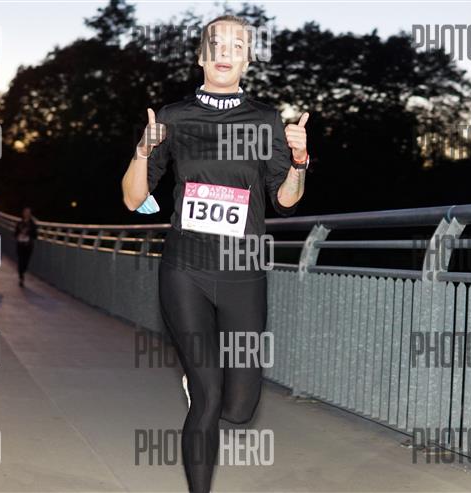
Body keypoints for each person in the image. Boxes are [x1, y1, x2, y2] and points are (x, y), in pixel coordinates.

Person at [121, 15, 309, 493]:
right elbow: (133, 199)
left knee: (239, 408)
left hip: (243, 272)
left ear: (248, 59)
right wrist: (142, 151)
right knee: (207, 396)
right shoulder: (174, 117)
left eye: (238, 45)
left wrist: (300, 162)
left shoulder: (265, 120)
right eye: (216, 44)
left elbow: (286, 201)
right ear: (201, 56)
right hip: (185, 268)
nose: (226, 52)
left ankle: (206, 387)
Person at [14, 207, 37, 287]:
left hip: (28, 245)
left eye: (28, 212)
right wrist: (18, 235)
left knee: (26, 261)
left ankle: (22, 272)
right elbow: (15, 233)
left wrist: (27, 233)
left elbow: (35, 235)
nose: (26, 214)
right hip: (20, 244)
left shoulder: (32, 224)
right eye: (25, 212)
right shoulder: (19, 223)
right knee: (20, 260)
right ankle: (21, 277)